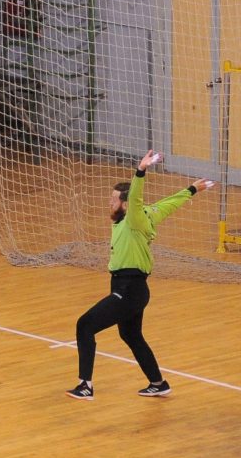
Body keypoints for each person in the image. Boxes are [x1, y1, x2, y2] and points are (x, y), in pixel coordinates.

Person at [65, 150, 215, 401]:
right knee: (131, 334)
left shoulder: (134, 217)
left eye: (114, 200)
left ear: (126, 205)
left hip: (128, 289)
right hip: (131, 289)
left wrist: (141, 170)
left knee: (85, 325)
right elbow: (168, 204)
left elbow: (136, 196)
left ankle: (85, 386)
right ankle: (158, 383)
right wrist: (191, 189)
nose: (109, 203)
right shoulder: (146, 214)